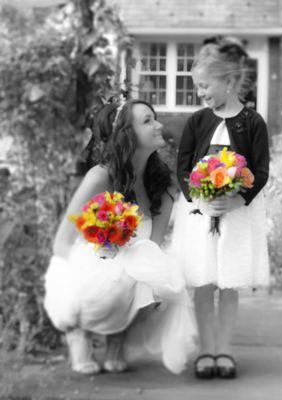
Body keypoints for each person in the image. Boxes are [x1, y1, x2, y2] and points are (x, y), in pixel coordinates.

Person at [44, 99, 197, 375]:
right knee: (114, 277)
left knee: (165, 277)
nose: (158, 125)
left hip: (134, 266)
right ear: (127, 134)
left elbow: (153, 248)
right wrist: (95, 259)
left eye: (155, 118)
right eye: (147, 121)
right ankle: (78, 332)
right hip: (90, 264)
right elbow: (62, 241)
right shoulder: (100, 177)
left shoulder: (163, 186)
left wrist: (157, 280)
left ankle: (119, 337)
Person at [170, 38, 270, 379]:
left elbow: (261, 169)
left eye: (204, 85)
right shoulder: (198, 121)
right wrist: (198, 197)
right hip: (200, 215)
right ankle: (206, 351)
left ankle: (224, 350)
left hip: (238, 215)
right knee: (203, 283)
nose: (200, 92)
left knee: (228, 285)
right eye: (196, 86)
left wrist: (239, 197)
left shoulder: (252, 123)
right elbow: (183, 165)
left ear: (228, 82)